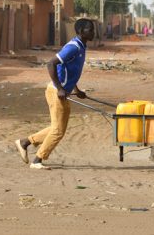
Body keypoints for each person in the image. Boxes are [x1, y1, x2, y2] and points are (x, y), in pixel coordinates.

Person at [15, 18, 95, 170]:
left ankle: (25, 142)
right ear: (80, 31)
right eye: (89, 29)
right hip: (55, 92)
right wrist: (59, 88)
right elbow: (51, 64)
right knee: (58, 131)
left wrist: (77, 91)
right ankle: (37, 160)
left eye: (93, 29)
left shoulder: (82, 47)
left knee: (57, 129)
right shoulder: (73, 47)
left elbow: (70, 71)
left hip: (63, 91)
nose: (93, 32)